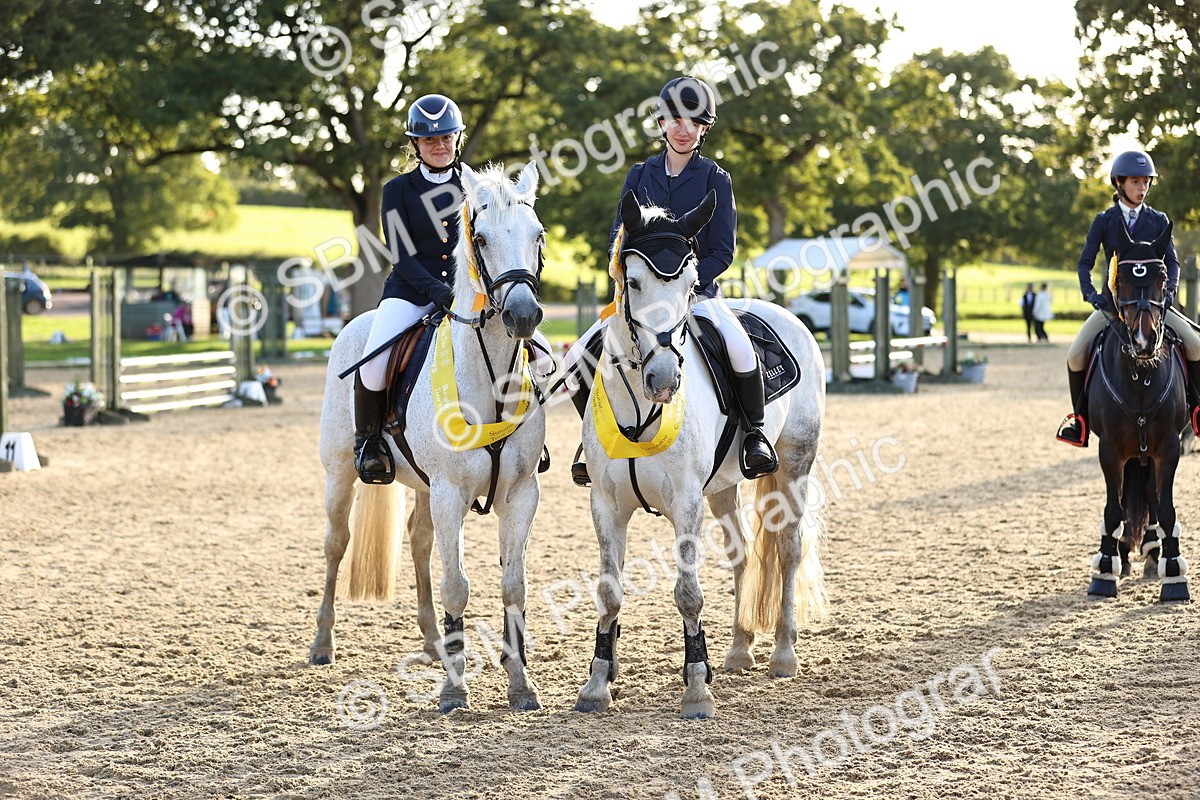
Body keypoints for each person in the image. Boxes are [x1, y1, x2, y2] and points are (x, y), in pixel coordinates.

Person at [570, 76, 776, 480]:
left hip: (695, 294)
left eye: (693, 122)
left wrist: (688, 286)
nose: (683, 129)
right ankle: (589, 439)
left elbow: (722, 251)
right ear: (662, 123)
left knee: (738, 348)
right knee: (577, 358)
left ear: (704, 129)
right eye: (675, 120)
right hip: (643, 299)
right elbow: (618, 237)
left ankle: (755, 434)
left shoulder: (715, 178)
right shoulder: (639, 174)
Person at [353, 94, 467, 483]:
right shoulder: (397, 190)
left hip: (468, 293)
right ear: (415, 145)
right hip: (410, 291)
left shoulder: (476, 184)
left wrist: (463, 289)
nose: (440, 146)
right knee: (373, 363)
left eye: (447, 138)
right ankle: (369, 442)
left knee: (529, 348)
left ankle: (524, 435)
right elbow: (401, 254)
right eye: (430, 140)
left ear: (457, 138)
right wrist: (438, 291)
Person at [1056, 150, 1200, 446]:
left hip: (1156, 306)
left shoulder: (1158, 220)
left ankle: (1197, 412)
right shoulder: (1104, 220)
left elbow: (1172, 263)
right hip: (1114, 307)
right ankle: (1079, 421)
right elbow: (1085, 262)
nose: (1142, 188)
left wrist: (1170, 290)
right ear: (1120, 183)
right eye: (1136, 182)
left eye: (1146, 182)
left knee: (1196, 345)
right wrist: (1091, 294)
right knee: (1075, 354)